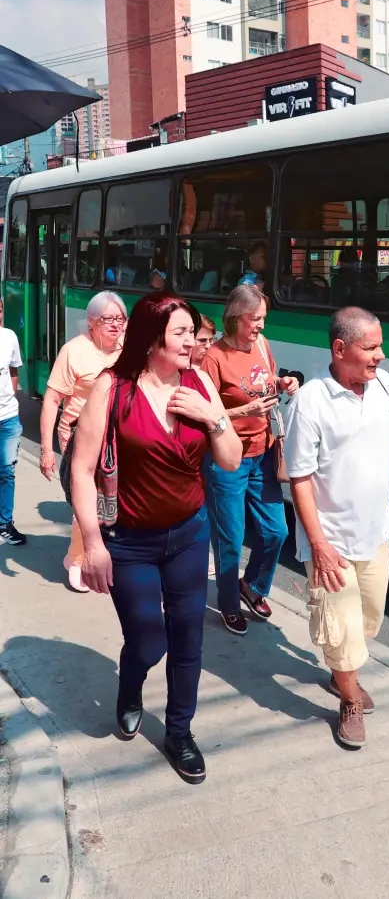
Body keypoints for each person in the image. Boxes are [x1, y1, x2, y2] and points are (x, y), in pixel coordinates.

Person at [71, 293, 242, 784]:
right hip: (128, 544)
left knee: (188, 638)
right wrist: (93, 545)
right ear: (152, 340)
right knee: (148, 636)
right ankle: (131, 684)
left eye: (194, 333)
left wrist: (213, 417)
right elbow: (82, 470)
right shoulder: (114, 387)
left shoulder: (199, 382)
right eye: (183, 334)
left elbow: (229, 459)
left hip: (188, 536)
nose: (194, 342)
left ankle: (180, 732)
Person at [283, 307, 389, 750]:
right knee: (341, 629)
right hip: (332, 543)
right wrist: (318, 544)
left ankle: (340, 669)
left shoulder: (386, 387)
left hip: (376, 533)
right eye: (371, 348)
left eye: (380, 346)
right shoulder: (311, 402)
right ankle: (348, 699)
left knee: (367, 621)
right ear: (340, 349)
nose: (381, 356)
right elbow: (300, 479)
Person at [201, 286, 298, 635]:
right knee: (231, 537)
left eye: (262, 320)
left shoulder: (261, 344)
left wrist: (281, 381)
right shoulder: (213, 357)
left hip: (263, 453)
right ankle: (228, 604)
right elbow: (204, 413)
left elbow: (263, 379)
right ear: (236, 316)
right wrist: (246, 409)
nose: (260, 326)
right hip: (227, 459)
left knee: (277, 531)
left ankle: (253, 586)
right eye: (255, 319)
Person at [39, 292, 127, 591]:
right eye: (108, 319)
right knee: (86, 496)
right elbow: (52, 400)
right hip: (78, 436)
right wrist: (45, 450)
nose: (116, 325)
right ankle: (78, 559)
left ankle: (97, 552)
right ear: (92, 323)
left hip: (118, 437)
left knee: (112, 499)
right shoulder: (73, 351)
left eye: (121, 319)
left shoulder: (129, 349)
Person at [190, 314, 218, 579]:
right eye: (202, 340)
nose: (208, 346)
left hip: (206, 451)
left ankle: (200, 554)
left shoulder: (206, 371)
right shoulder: (180, 373)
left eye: (212, 339)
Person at [0, 299, 23, 547]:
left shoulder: (9, 337)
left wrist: (11, 398)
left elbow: (13, 370)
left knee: (6, 472)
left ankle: (5, 523)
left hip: (7, 418)